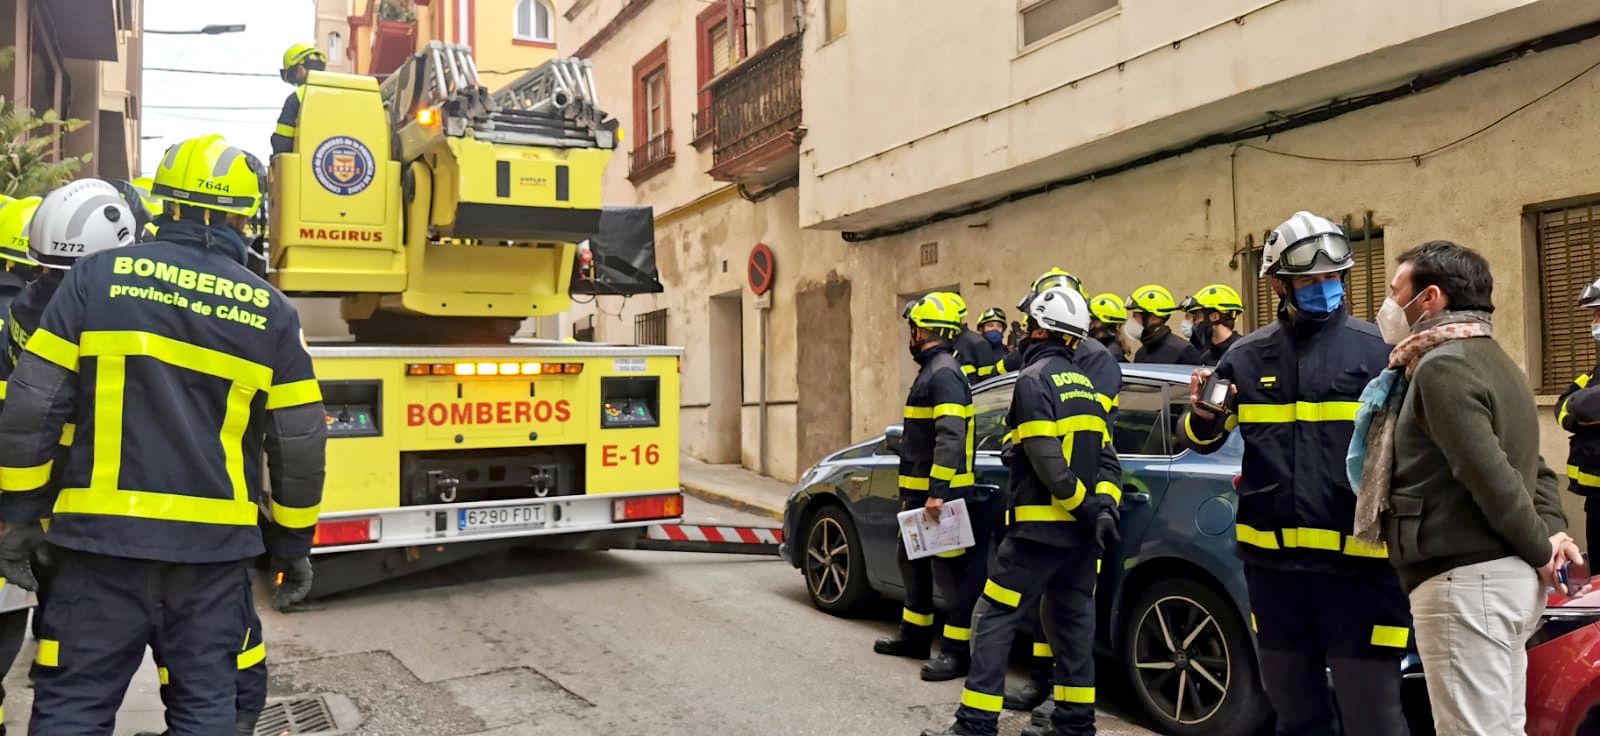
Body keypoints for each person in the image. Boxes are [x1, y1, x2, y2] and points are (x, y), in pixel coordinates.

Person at [0, 134, 327, 734]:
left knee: (73, 707)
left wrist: (18, 515)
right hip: (210, 562)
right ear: (241, 216)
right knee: (206, 710)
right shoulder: (272, 312)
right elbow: (300, 444)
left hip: (96, 550)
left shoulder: (94, 280)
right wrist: (292, 543)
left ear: (165, 204)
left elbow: (32, 407)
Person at [1181, 211, 1411, 736]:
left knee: (1374, 719)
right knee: (1296, 715)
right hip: (1275, 575)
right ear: (1279, 283)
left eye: (1332, 278)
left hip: (1363, 575)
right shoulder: (1244, 356)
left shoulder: (1379, 352)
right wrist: (1201, 418)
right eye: (1309, 279)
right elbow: (1202, 440)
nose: (1322, 289)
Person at [1356, 241, 1574, 735]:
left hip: (1466, 580)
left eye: (1396, 292)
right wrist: (1553, 536)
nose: (1387, 307)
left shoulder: (1442, 366)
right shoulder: (1495, 360)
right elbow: (1534, 467)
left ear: (1430, 298)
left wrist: (1543, 547)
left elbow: (1491, 474)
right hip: (1498, 581)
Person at [923, 286, 1118, 736]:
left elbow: (1046, 456)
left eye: (1029, 324)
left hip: (1037, 535)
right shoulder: (1087, 386)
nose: (1023, 333)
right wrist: (1103, 508)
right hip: (1082, 541)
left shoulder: (1033, 381)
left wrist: (1083, 505)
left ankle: (975, 725)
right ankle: (1074, 725)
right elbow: (1108, 458)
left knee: (992, 618)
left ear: (1041, 330)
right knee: (1072, 629)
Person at [875, 291, 988, 683]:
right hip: (920, 494)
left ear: (924, 331)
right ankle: (914, 635)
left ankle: (956, 654)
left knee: (954, 577)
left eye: (913, 326)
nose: (911, 333)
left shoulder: (944, 374)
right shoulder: (933, 370)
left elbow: (950, 435)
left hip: (943, 497)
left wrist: (938, 491)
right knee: (914, 563)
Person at [1558, 275, 1600, 550]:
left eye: (1599, 314)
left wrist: (1582, 409)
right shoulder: (1595, 372)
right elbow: (1564, 407)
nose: (1594, 323)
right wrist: (1579, 413)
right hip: (1596, 498)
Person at [271, 43, 329, 155]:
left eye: (292, 74)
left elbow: (282, 143)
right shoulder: (343, 94)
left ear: (300, 70)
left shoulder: (297, 97)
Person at [1124, 285, 1203, 364]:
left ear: (1154, 318)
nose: (1132, 320)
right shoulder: (1140, 354)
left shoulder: (1183, 351)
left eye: (1135, 316)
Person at [1189, 283, 1245, 365]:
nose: (1194, 323)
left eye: (1197, 317)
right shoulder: (1205, 357)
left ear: (1215, 317)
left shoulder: (1243, 352)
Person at [954, 306, 1009, 385]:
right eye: (990, 325)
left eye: (999, 326)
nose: (995, 329)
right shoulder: (973, 351)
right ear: (981, 329)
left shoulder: (1007, 353)